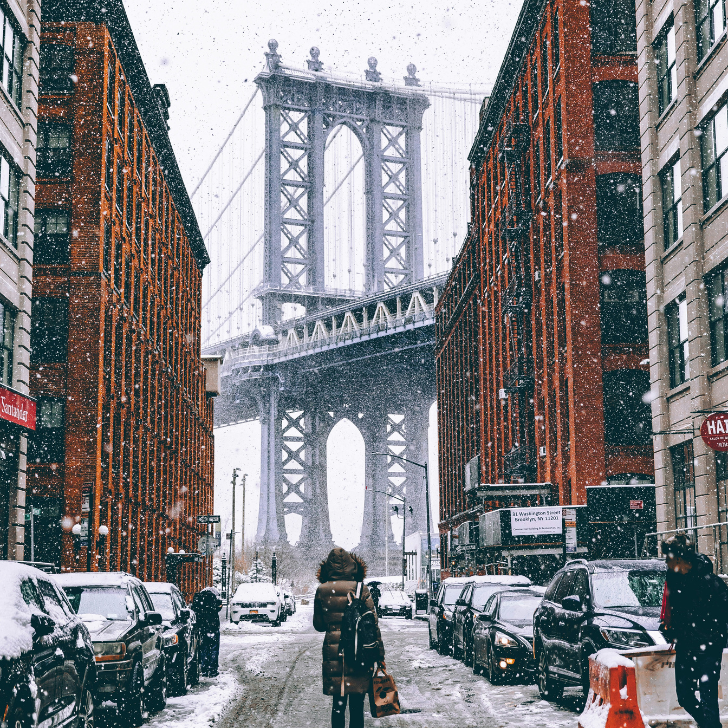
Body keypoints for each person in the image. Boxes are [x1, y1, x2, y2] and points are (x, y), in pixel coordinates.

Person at [660, 534, 728, 728]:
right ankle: (709, 725)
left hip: (709, 646)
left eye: (667, 557)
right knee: (684, 696)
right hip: (686, 645)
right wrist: (672, 630)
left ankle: (710, 725)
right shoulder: (673, 579)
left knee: (708, 698)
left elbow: (724, 612)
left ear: (679, 558)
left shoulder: (709, 581)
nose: (665, 561)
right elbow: (675, 611)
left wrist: (716, 638)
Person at [314, 548, 385, 728]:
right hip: (359, 653)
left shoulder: (322, 590)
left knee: (338, 705)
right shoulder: (361, 588)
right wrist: (380, 656)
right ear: (353, 565)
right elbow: (372, 625)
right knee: (357, 706)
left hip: (334, 653)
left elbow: (319, 625)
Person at [192, 587, 222, 677]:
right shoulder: (213, 599)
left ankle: (204, 668)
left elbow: (194, 610)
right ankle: (213, 669)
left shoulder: (199, 599)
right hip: (213, 627)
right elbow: (218, 608)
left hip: (203, 627)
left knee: (204, 647)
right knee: (214, 648)